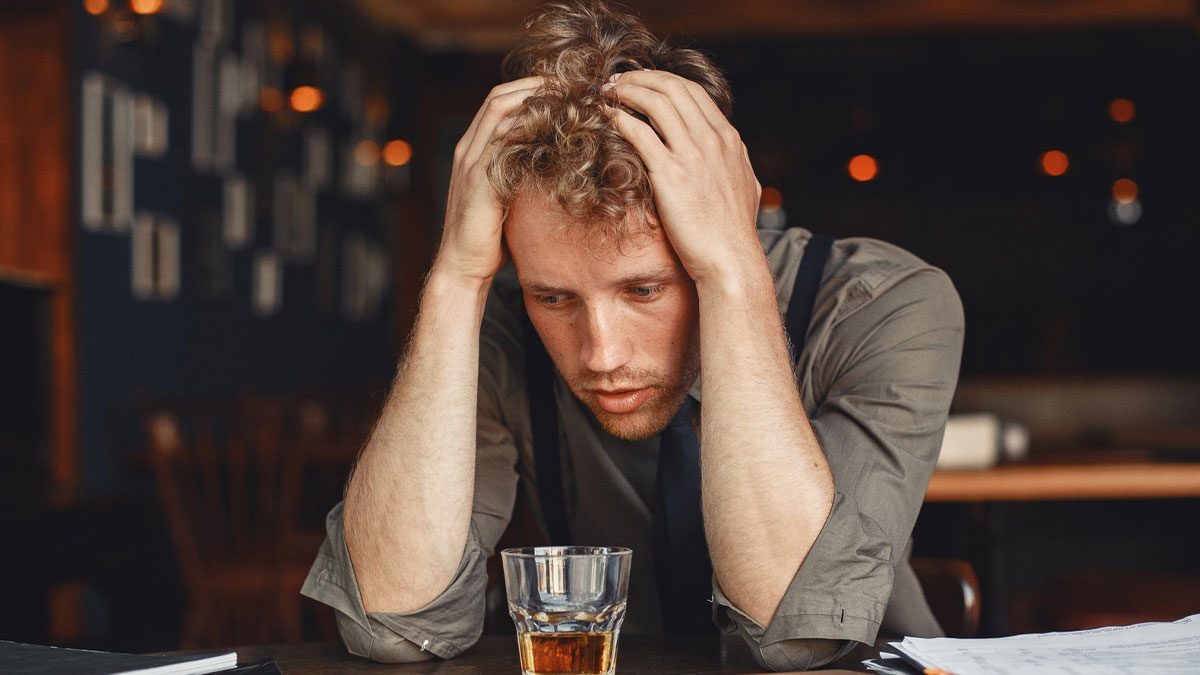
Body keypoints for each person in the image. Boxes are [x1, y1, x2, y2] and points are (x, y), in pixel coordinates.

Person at [301, 0, 964, 670]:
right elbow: (391, 620)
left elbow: (798, 636)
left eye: (644, 290)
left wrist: (732, 272)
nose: (602, 354)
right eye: (553, 296)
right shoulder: (500, 323)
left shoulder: (883, 306)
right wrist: (455, 277)